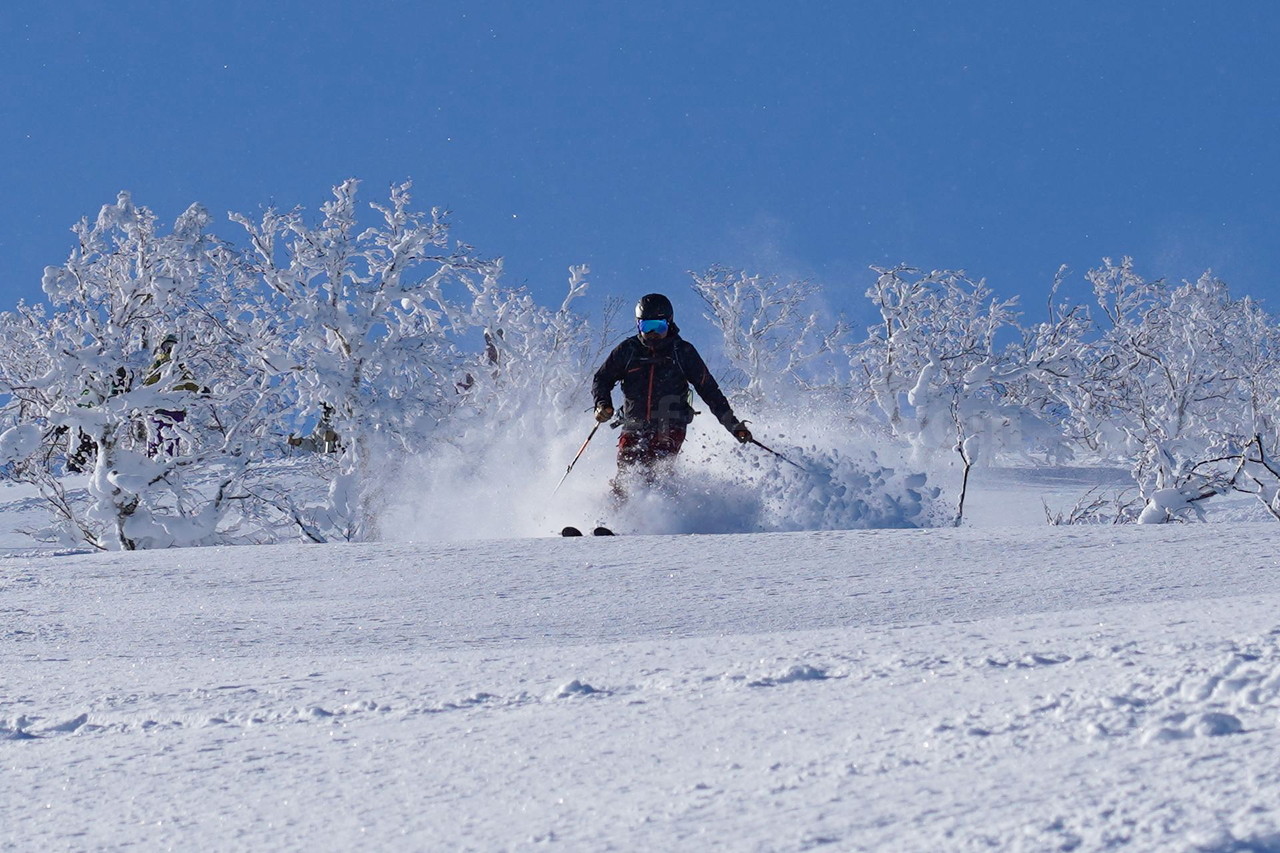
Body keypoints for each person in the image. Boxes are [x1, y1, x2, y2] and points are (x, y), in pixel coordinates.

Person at [592, 293, 752, 488]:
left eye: (659, 327)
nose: (652, 334)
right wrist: (602, 404)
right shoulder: (628, 350)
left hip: (669, 427)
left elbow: (709, 390)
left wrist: (733, 425)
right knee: (626, 475)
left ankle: (665, 513)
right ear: (638, 325)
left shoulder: (682, 352)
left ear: (669, 323)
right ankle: (616, 515)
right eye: (646, 327)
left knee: (656, 475)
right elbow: (602, 378)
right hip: (634, 425)